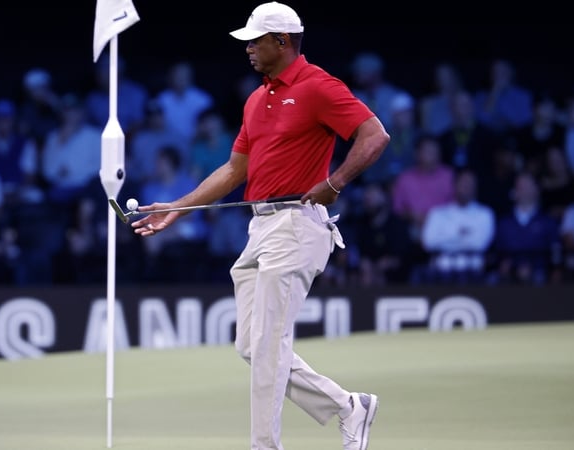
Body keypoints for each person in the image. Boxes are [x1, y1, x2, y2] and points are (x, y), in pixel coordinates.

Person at [129, 3, 390, 449]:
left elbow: (375, 135)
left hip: (297, 226)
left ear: (283, 41)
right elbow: (234, 171)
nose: (247, 47)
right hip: (259, 229)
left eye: (255, 39)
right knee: (251, 346)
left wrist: (335, 182)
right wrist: (179, 207)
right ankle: (349, 407)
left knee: (268, 344)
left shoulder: (317, 86)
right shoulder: (257, 98)